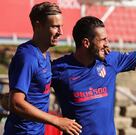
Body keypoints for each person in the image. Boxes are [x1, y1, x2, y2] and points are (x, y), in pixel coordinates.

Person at [4, 2, 81, 135]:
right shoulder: (27, 57)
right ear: (38, 26)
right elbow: (16, 103)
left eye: (61, 26)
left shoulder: (45, 54)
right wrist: (57, 121)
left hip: (38, 131)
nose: (61, 32)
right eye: (55, 27)